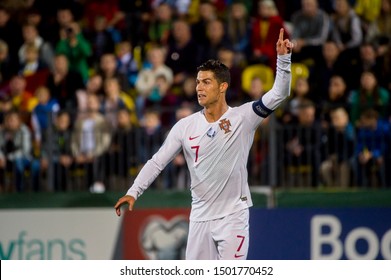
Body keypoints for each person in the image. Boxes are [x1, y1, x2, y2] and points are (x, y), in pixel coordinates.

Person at [114, 29, 293, 260]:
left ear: (223, 86)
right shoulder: (185, 126)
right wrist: (133, 192)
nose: (199, 87)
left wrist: (283, 60)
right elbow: (157, 162)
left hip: (233, 217)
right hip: (199, 218)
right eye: (198, 82)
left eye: (206, 82)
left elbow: (279, 93)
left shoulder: (244, 117)